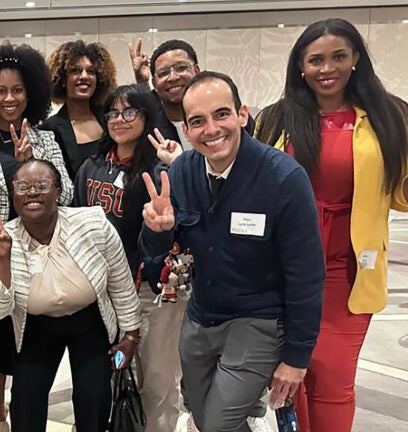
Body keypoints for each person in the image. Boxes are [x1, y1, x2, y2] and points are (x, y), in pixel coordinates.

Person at [139, 71, 325, 432]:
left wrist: (296, 358)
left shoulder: (283, 178)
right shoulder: (183, 172)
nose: (211, 129)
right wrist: (157, 231)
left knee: (218, 424)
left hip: (259, 319)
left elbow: (307, 275)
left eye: (221, 114)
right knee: (202, 415)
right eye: (197, 121)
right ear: (186, 130)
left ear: (242, 114)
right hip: (201, 317)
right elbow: (155, 256)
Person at [254, 18, 408, 432]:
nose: (327, 68)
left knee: (332, 382)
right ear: (300, 66)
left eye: (338, 56)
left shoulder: (391, 116)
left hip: (348, 270)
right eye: (316, 60)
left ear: (356, 58)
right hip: (283, 268)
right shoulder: (275, 119)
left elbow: (401, 195)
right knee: (288, 383)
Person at [0, 42, 74, 431]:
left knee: (32, 336)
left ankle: (24, 402)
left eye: (18, 90)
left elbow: (67, 195)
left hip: (39, 255)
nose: (10, 99)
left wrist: (31, 165)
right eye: (1, 91)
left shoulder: (46, 139)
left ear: (31, 93)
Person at [0, 159, 142, 432]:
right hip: (36, 326)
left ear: (58, 191)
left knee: (94, 401)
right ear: (13, 193)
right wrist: (2, 259)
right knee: (25, 406)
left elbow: (120, 281)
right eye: (23, 186)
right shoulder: (1, 239)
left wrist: (131, 335)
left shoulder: (92, 224)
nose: (32, 192)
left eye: (42, 185)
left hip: (89, 322)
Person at [72, 83, 184, 432]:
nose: (119, 119)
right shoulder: (91, 166)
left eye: (130, 111)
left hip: (149, 291)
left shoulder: (160, 168)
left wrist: (180, 165)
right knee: (115, 370)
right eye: (113, 113)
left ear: (147, 116)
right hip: (102, 294)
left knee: (156, 379)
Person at [42, 40, 117, 178]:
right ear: (62, 79)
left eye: (91, 71)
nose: (84, 76)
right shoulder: (49, 130)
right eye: (75, 71)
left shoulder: (111, 116)